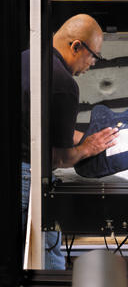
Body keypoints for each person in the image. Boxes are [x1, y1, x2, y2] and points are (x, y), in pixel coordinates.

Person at [21, 14, 119, 269]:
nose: (93, 63)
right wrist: (87, 148)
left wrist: (87, 138)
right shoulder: (63, 83)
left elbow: (39, 129)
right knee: (48, 263)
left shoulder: (26, 59)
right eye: (94, 55)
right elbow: (57, 158)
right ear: (76, 46)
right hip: (28, 181)